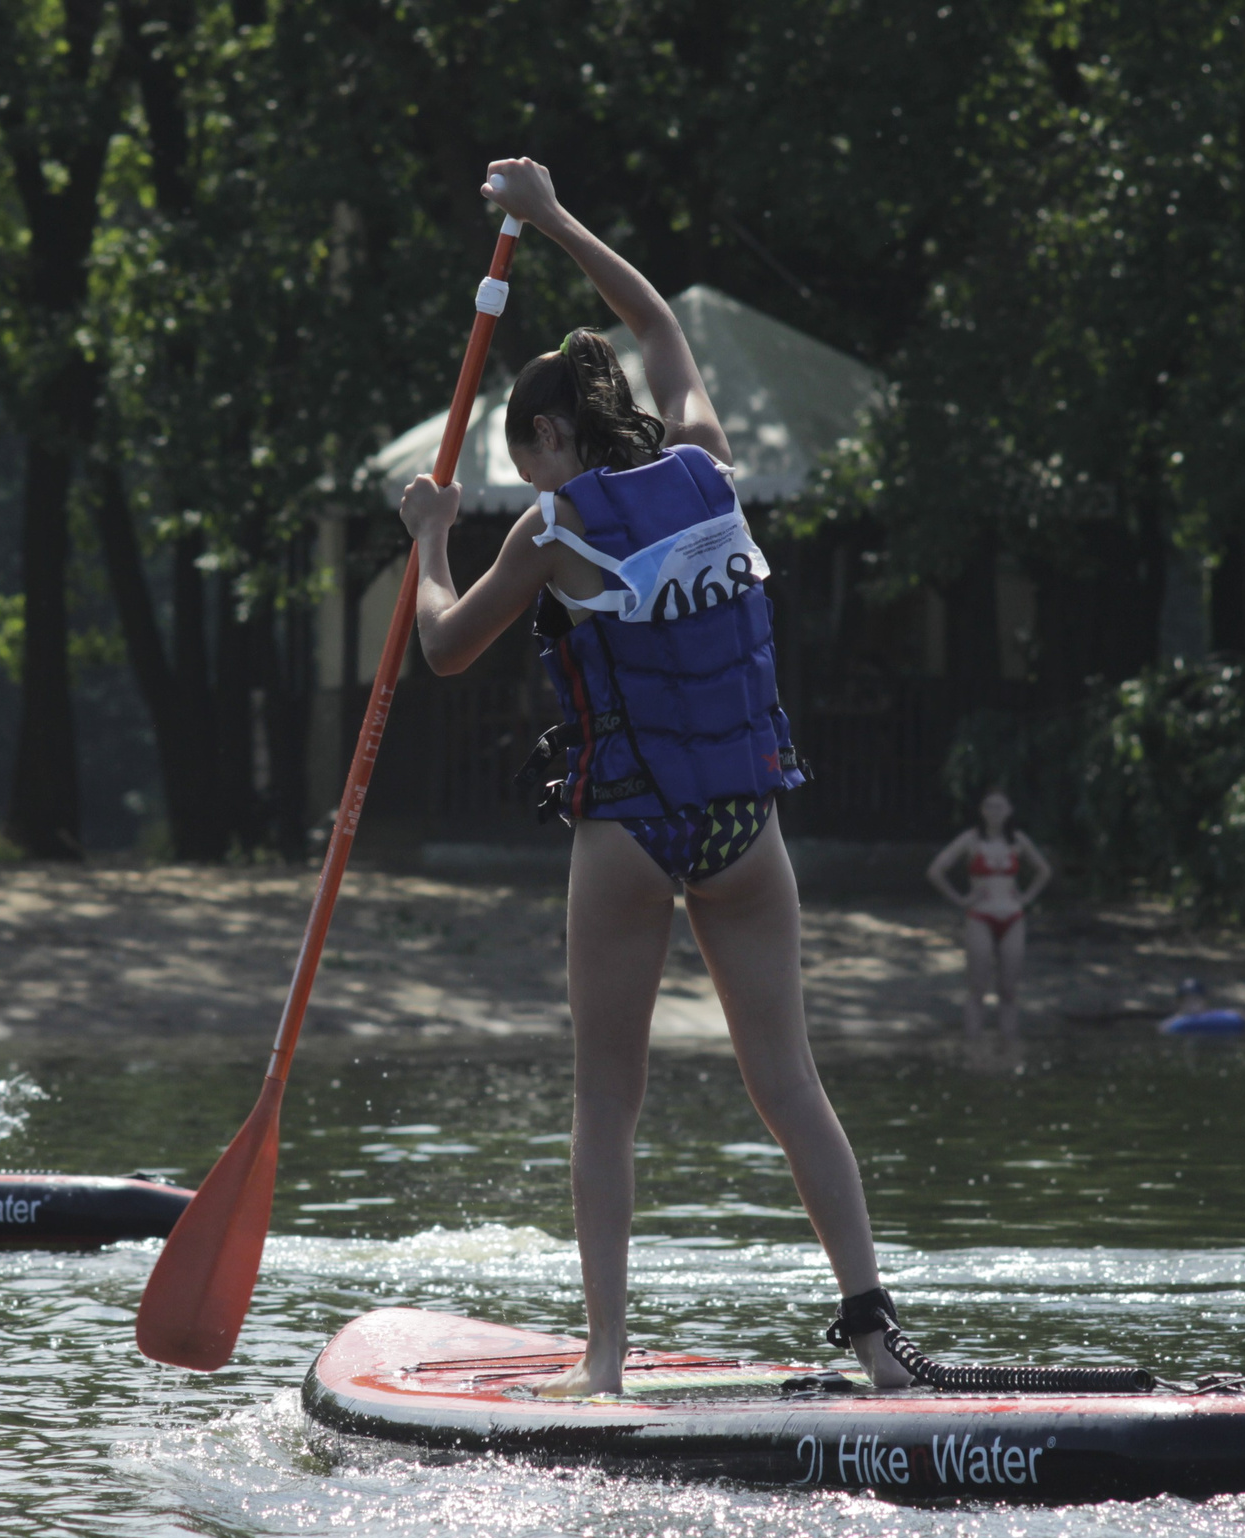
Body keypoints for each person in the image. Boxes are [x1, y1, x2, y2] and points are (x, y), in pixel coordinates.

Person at [398, 157, 908, 1395]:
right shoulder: (710, 466)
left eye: (529, 459)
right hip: (745, 825)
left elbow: (445, 646)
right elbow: (660, 324)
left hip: (628, 828)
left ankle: (606, 1361)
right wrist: (553, 217)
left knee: (606, 1104)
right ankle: (876, 1337)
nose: (530, 483)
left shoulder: (553, 527)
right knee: (788, 1084)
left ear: (552, 436)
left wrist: (430, 542)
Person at [926, 787, 1053, 1039]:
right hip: (980, 916)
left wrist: (1026, 897)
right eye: (989, 806)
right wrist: (960, 899)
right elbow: (935, 871)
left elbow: (1044, 870)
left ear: (1009, 811)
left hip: (1013, 916)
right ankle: (973, 1048)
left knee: (1009, 990)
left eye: (1000, 806)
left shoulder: (1017, 840)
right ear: (982, 811)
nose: (995, 812)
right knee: (977, 989)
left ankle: (1009, 1048)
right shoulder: (970, 839)